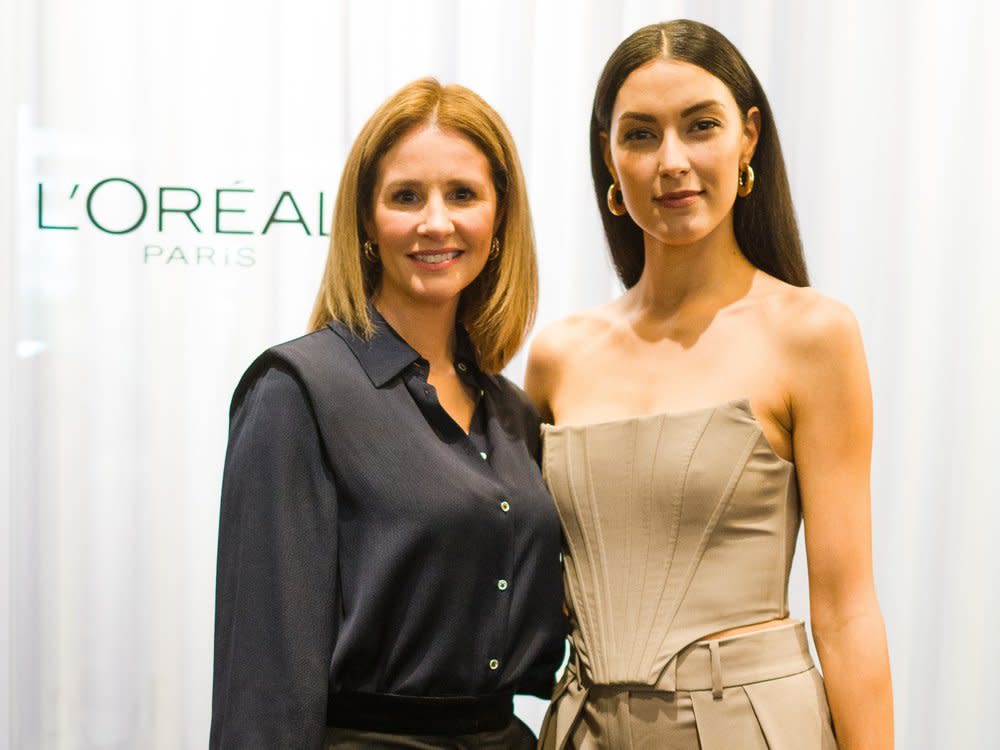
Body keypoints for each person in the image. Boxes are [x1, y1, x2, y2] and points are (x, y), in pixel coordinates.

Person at [526, 20, 893, 749]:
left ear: (747, 137)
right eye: (640, 134)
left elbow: (847, 611)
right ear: (609, 155)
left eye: (701, 126)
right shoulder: (558, 355)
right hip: (581, 729)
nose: (673, 162)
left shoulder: (813, 336)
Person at [210, 78, 565, 749]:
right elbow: (262, 674)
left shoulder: (513, 411)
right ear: (368, 221)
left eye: (463, 194)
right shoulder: (297, 390)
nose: (437, 222)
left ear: (499, 217)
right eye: (406, 196)